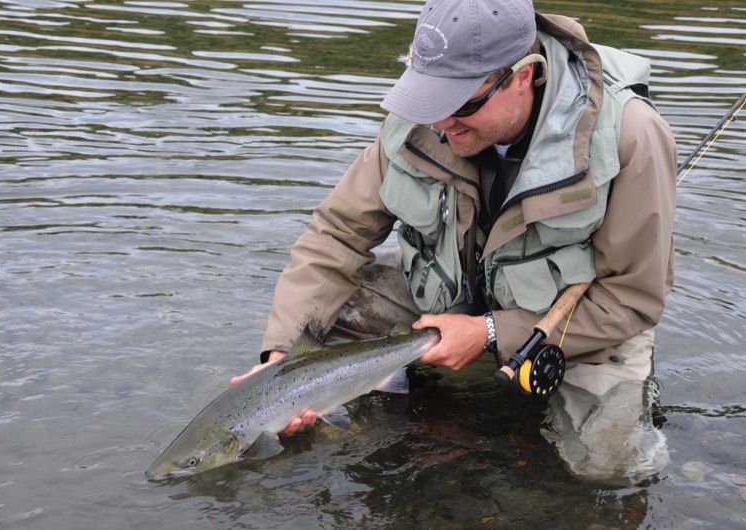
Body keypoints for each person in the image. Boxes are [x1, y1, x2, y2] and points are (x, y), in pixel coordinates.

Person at [232, 0, 676, 482]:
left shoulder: (631, 135)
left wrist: (489, 333)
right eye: (429, 99)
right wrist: (282, 367)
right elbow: (336, 234)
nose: (441, 123)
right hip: (451, 290)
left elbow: (631, 299)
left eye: (462, 104)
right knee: (325, 318)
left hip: (576, 320)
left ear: (524, 75)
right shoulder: (420, 118)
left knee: (609, 467)